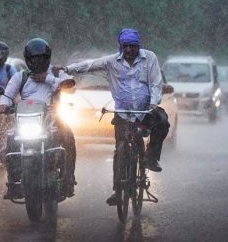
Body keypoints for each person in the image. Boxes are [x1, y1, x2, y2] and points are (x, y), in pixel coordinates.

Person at [53, 28, 170, 205]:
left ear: (138, 46)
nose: (129, 50)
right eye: (125, 47)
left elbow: (155, 83)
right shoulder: (111, 62)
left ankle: (151, 158)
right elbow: (89, 66)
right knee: (120, 148)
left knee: (163, 121)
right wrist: (67, 69)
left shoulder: (150, 58)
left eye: (132, 46)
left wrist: (153, 104)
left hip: (145, 111)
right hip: (123, 113)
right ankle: (118, 190)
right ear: (120, 47)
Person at [0, 38, 77, 199]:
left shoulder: (56, 73)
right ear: (28, 59)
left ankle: (68, 178)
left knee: (68, 138)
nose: (37, 61)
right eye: (34, 58)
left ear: (46, 57)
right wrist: (4, 105)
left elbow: (70, 87)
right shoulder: (21, 76)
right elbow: (7, 95)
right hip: (26, 120)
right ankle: (13, 183)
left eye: (40, 58)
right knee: (10, 141)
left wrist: (47, 79)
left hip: (52, 119)